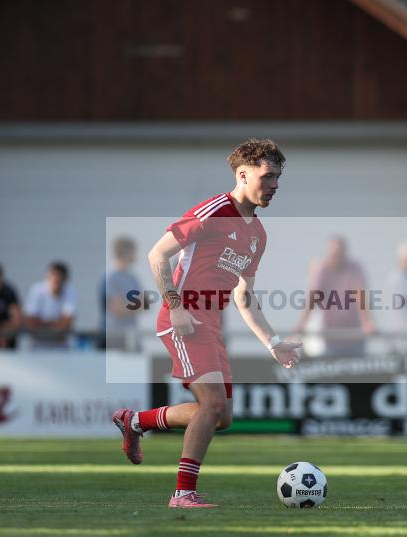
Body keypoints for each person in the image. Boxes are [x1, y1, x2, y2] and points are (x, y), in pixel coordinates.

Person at [111, 139, 301, 508]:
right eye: (268, 176)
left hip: (210, 326)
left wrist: (273, 342)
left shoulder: (258, 235)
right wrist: (176, 306)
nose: (275, 185)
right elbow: (157, 254)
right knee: (212, 405)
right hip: (183, 319)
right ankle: (182, 494)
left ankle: (135, 421)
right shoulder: (215, 210)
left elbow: (244, 297)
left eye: (278, 178)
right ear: (243, 175)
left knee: (221, 416)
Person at [293, 236, 376, 357]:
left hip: (354, 335)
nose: (334, 258)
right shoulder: (322, 270)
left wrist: (367, 322)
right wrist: (302, 324)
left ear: (344, 253)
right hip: (331, 337)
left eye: (338, 254)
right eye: (332, 254)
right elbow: (313, 297)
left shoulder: (355, 268)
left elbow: (360, 295)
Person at [100, 237, 142, 351]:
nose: (135, 255)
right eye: (133, 252)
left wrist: (126, 305)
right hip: (113, 337)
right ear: (125, 252)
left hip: (131, 337)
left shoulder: (133, 277)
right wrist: (136, 304)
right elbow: (117, 309)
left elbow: (146, 304)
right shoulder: (110, 276)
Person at [23, 261, 76, 348]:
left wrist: (42, 326)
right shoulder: (36, 290)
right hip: (37, 348)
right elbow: (30, 321)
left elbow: (67, 324)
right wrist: (56, 326)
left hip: (61, 349)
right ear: (47, 276)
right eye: (53, 275)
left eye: (59, 277)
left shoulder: (70, 291)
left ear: (65, 279)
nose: (56, 279)